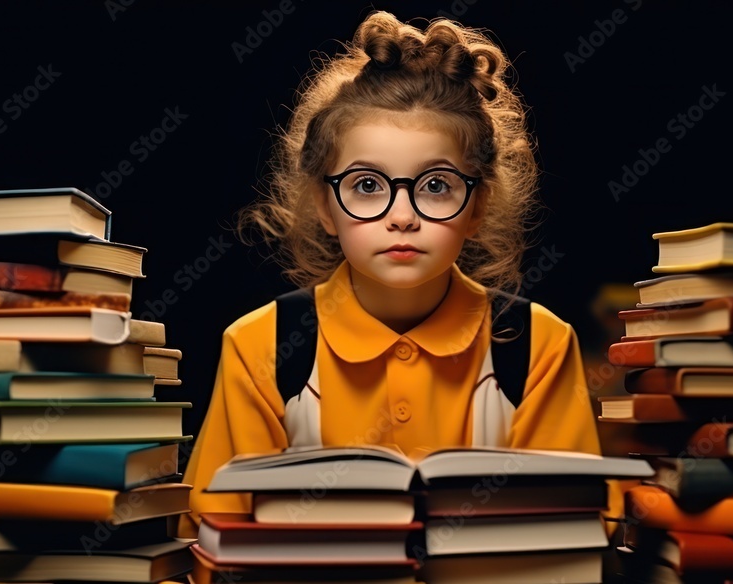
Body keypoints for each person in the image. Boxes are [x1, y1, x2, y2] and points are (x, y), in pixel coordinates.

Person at [176, 10, 618, 539]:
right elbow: (213, 535)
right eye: (367, 186)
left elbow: (573, 532)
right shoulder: (260, 346)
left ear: (478, 206)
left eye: (435, 186)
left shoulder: (538, 343)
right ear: (323, 203)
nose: (402, 215)